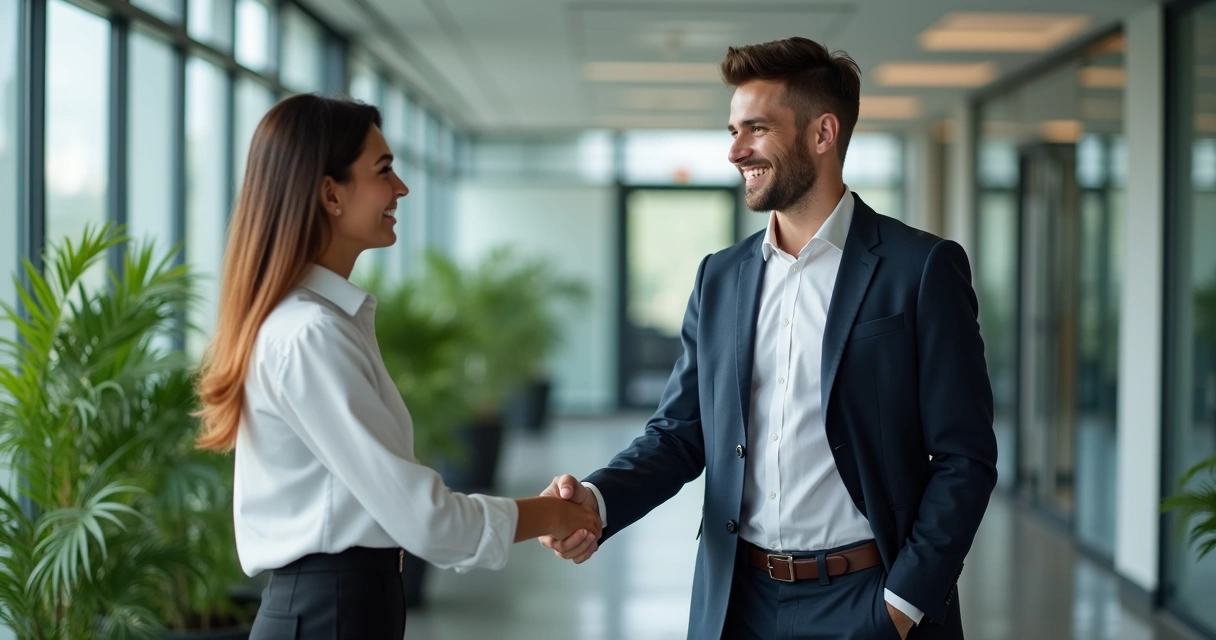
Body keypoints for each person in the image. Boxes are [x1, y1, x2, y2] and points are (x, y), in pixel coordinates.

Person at [540, 37, 997, 640]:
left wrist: (903, 603)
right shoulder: (720, 277)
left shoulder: (920, 269)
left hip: (869, 598)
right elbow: (680, 433)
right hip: (738, 602)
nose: (735, 151)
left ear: (822, 133)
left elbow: (965, 457)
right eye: (733, 131)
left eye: (756, 129)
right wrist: (597, 500)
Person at [194, 94, 601, 640]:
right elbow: (427, 520)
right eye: (383, 170)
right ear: (330, 193)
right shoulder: (311, 334)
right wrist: (552, 515)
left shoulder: (323, 323)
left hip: (342, 608)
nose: (402, 188)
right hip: (329, 615)